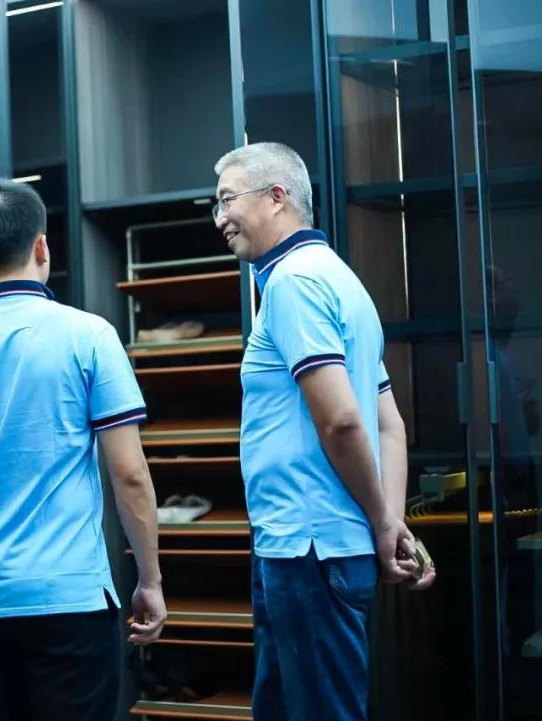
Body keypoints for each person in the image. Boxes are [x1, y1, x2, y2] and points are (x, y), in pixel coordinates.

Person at [0, 179, 167, 721]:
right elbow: (129, 474)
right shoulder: (90, 336)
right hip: (71, 598)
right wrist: (149, 579)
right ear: (42, 247)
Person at [212, 142, 435, 721]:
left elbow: (341, 419)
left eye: (228, 200)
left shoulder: (294, 282)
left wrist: (384, 522)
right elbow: (390, 424)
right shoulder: (342, 280)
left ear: (277, 197)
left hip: (307, 547)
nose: (220, 218)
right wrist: (388, 520)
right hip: (317, 544)